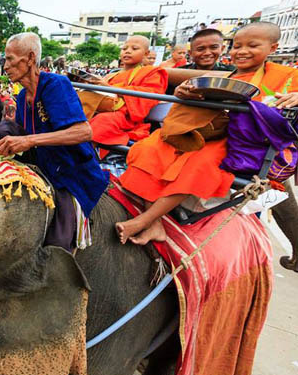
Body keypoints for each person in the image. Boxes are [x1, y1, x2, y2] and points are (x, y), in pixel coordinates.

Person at [117, 22, 298, 245]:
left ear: (273, 48)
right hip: (201, 130)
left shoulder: (288, 75)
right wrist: (183, 92)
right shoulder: (220, 75)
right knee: (146, 148)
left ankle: (146, 219)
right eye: (237, 45)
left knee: (199, 163)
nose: (242, 51)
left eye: (252, 45)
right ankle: (154, 224)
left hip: (240, 143)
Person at [0, 32, 108, 251]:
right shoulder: (23, 96)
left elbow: (84, 132)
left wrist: (29, 141)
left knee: (58, 243)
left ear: (31, 58)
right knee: (2, 131)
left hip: (70, 170)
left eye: (10, 59)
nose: (5, 66)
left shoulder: (56, 84)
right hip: (42, 163)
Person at [79, 35, 168, 148]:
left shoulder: (151, 72)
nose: (128, 51)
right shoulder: (112, 74)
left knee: (101, 122)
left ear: (146, 53)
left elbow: (150, 94)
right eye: (124, 48)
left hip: (125, 116)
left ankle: (84, 155)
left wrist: (110, 88)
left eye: (134, 49)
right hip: (97, 107)